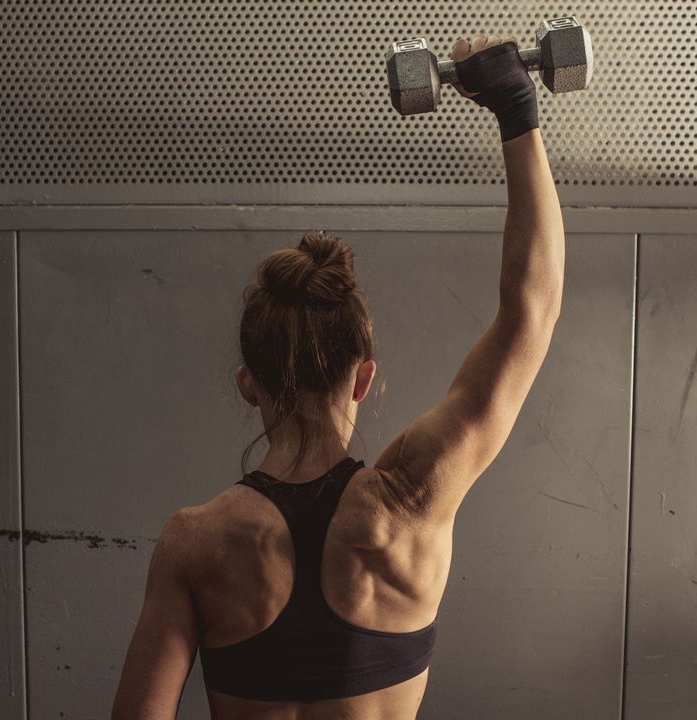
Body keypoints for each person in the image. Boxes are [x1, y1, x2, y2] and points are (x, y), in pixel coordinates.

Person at [112, 33, 565, 720]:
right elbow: (530, 313)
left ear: (248, 383)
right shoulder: (411, 503)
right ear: (362, 378)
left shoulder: (195, 544)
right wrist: (514, 107)